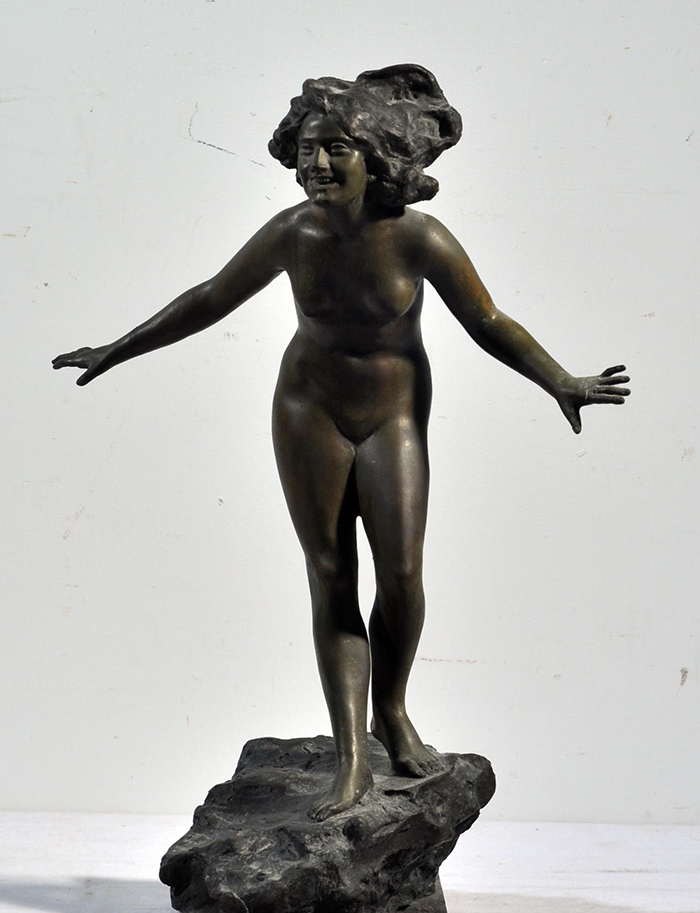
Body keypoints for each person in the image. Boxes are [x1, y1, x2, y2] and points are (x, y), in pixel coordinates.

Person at [53, 64, 630, 820]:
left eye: (336, 149)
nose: (318, 164)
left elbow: (488, 321)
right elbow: (210, 298)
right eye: (307, 150)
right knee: (330, 575)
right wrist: (116, 349)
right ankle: (352, 755)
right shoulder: (294, 234)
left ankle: (391, 710)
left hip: (393, 419)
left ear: (376, 158)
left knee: (403, 577)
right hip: (309, 412)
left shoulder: (420, 239)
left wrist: (560, 380)